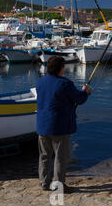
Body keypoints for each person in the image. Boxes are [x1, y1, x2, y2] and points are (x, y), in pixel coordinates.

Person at [36, 56, 92, 193]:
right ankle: (58, 185)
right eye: (64, 66)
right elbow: (79, 99)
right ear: (61, 68)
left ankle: (44, 182)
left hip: (42, 126)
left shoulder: (40, 82)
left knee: (44, 156)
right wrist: (86, 92)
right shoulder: (65, 83)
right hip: (59, 127)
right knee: (61, 157)